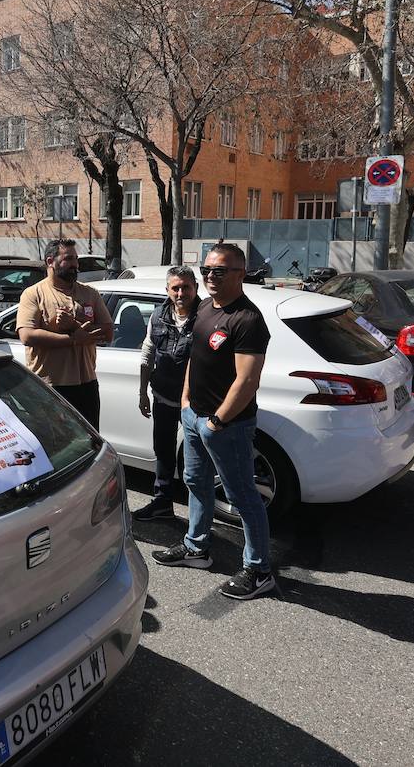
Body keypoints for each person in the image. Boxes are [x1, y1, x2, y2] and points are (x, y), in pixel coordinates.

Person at [152, 243, 276, 601]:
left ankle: (258, 570)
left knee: (242, 495)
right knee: (195, 481)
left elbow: (247, 380)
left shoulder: (247, 320)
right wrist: (187, 400)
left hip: (227, 425)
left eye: (219, 271)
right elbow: (196, 356)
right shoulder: (205, 307)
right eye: (207, 270)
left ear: (240, 273)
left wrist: (218, 421)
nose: (210, 276)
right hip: (194, 416)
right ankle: (197, 548)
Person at [16, 239, 113, 428]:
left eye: (76, 259)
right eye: (68, 259)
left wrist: (75, 325)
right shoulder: (33, 294)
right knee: (56, 446)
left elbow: (108, 332)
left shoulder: (90, 293)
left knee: (89, 442)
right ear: (50, 261)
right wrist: (73, 339)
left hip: (87, 385)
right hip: (50, 386)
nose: (75, 264)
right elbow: (27, 335)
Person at [133, 266, 199, 521]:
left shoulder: (205, 315)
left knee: (197, 460)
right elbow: (148, 353)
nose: (181, 292)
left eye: (186, 287)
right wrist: (142, 392)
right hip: (162, 396)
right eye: (176, 288)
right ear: (168, 290)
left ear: (195, 287)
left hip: (196, 403)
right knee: (163, 451)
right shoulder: (158, 315)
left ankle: (198, 514)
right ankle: (162, 504)